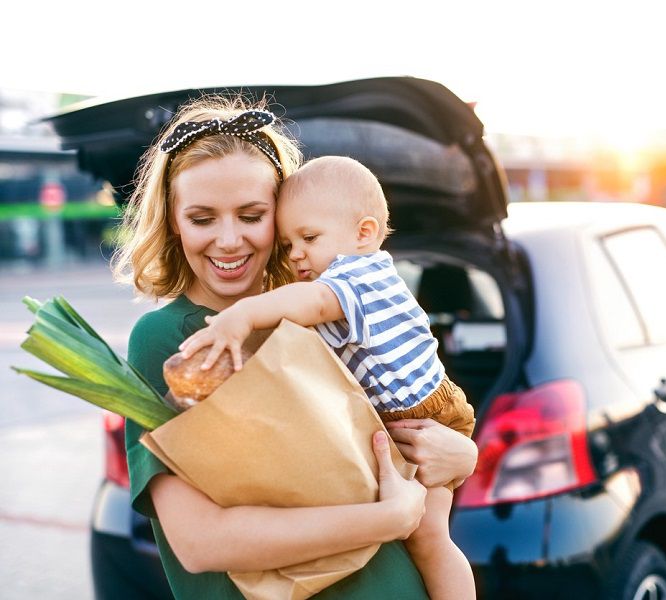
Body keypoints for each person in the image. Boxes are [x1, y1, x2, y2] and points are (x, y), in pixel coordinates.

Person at [114, 96, 478, 600]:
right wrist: (388, 517)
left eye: (251, 215)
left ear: (282, 218)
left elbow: (391, 429)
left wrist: (462, 454)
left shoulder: (313, 318)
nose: (228, 240)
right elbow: (199, 542)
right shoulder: (170, 339)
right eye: (202, 218)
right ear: (174, 223)